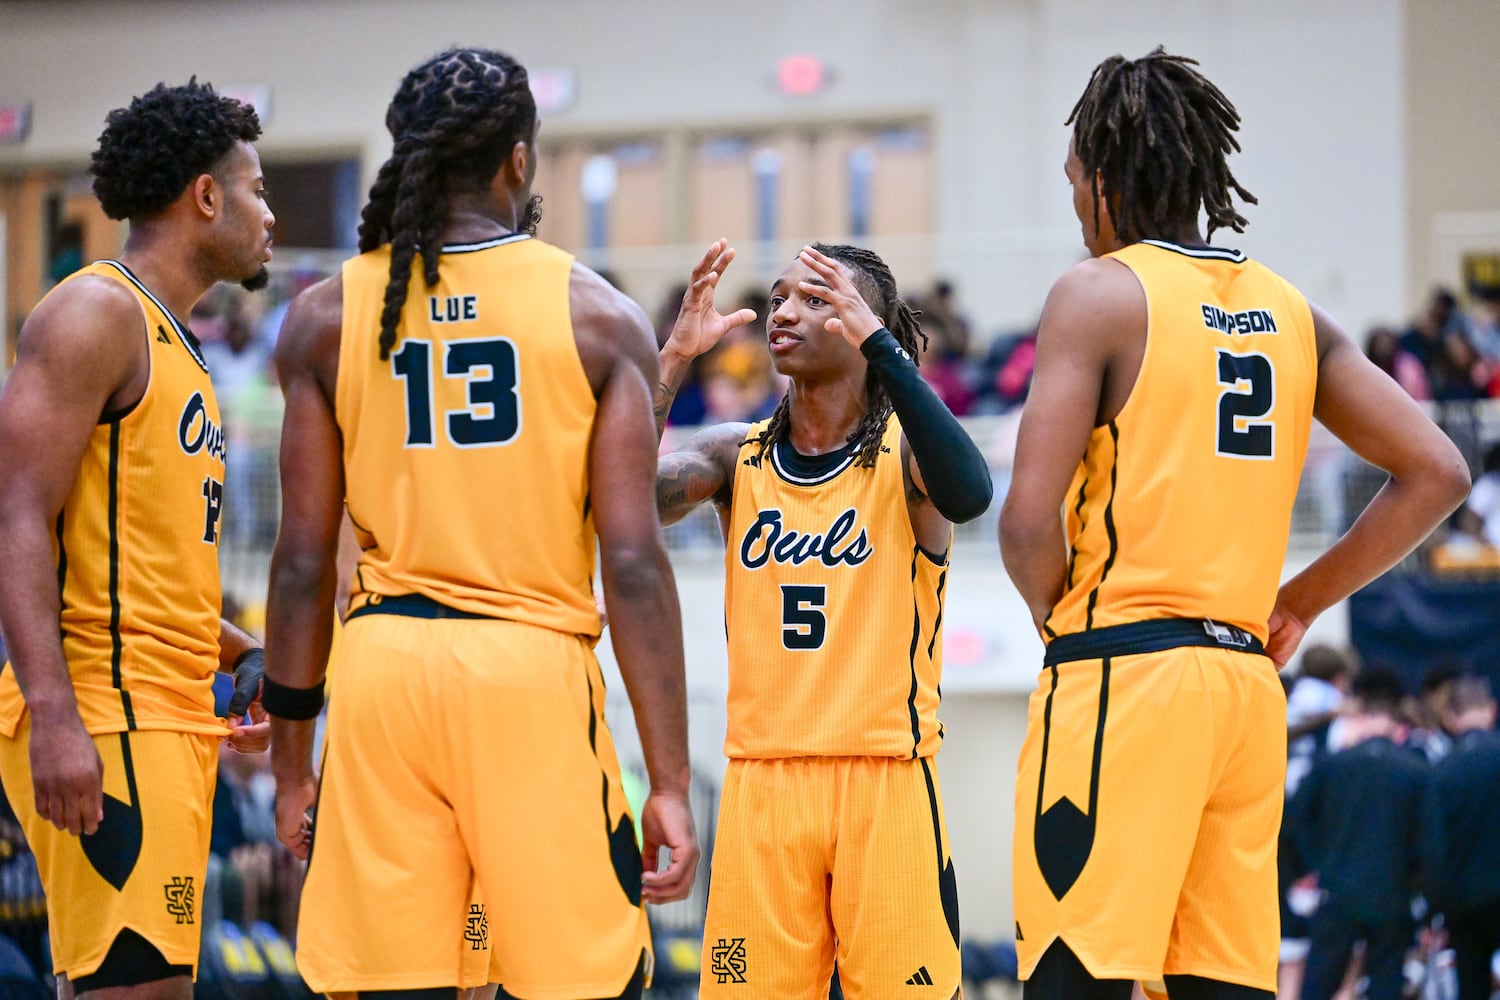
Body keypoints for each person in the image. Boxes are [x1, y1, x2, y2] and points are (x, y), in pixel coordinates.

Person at [999, 47, 1471, 1000]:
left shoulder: (1096, 294)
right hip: (1245, 694)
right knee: (1225, 986)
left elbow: (1023, 520)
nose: (1074, 208)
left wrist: (1064, 619)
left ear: (1103, 175)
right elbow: (1439, 470)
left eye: (1074, 183)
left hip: (1123, 674)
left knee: (1071, 975)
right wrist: (1300, 601)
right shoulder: (1290, 309)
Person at [264, 47, 698, 1000]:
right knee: (583, 981)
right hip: (527, 673)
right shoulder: (596, 315)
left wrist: (291, 764)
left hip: (383, 675)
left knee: (390, 985)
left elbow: (300, 565)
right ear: (518, 161)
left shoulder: (325, 316)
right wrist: (668, 778)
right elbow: (631, 561)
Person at [652, 239, 993, 997]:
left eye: (814, 298)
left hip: (886, 780)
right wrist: (671, 364)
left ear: (862, 323)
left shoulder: (909, 461)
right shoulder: (731, 459)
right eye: (778, 298)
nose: (783, 312)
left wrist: (883, 346)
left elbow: (971, 493)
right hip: (763, 784)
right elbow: (613, 505)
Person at [0, 80, 273, 999]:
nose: (270, 214)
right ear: (206, 197)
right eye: (258, 190)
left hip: (165, 714)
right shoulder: (95, 313)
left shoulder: (174, 340)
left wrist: (243, 654)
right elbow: (14, 516)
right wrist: (55, 717)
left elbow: (144, 562)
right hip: (103, 711)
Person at [1283, 669, 1427, 1000]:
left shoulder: (1332, 763)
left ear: (1361, 716)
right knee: (1386, 983)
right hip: (1393, 893)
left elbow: (1294, 820)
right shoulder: (1416, 770)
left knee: (1319, 984)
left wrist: (1313, 865)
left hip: (1336, 890)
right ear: (1394, 720)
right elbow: (1425, 838)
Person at [1422, 675, 1500, 1000]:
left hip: (1464, 900)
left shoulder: (1441, 770)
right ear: (1492, 710)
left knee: (1471, 984)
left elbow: (1434, 847)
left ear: (1450, 717)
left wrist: (1435, 908)